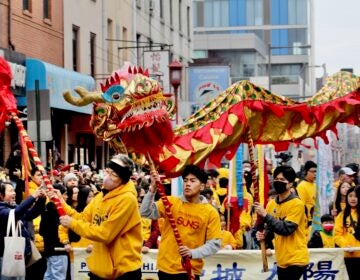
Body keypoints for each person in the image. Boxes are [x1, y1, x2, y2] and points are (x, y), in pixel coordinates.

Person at [58, 154, 142, 280]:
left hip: (122, 272)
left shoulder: (127, 199)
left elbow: (105, 234)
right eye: (107, 171)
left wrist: (72, 224)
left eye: (113, 174)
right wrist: (61, 202)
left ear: (123, 179)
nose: (107, 176)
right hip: (100, 269)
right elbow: (82, 219)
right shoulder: (100, 196)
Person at [140, 165, 221, 280]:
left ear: (202, 186)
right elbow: (145, 212)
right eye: (185, 180)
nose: (187, 184)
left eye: (192, 181)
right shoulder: (171, 202)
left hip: (190, 270)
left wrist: (192, 253)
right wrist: (152, 189)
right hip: (165, 268)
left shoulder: (210, 212)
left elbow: (214, 244)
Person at [254, 165, 309, 280]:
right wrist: (263, 236)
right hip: (281, 259)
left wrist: (265, 215)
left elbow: (285, 230)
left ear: (290, 184)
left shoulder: (297, 204)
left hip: (296, 259)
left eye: (282, 180)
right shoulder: (271, 204)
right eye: (276, 179)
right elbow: (270, 230)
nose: (278, 182)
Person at [0, 180, 46, 278]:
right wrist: (33, 196)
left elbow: (32, 213)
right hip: (4, 256)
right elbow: (16, 213)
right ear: (1, 195)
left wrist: (41, 199)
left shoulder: (15, 207)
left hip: (19, 255)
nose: (14, 193)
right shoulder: (2, 210)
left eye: (14, 190)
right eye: (10, 191)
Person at [334, 186, 360, 280]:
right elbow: (337, 235)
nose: (353, 199)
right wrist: (345, 245)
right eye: (350, 196)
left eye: (356, 196)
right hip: (349, 256)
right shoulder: (342, 215)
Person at [296, 160, 317, 229]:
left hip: (317, 219)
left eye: (316, 171)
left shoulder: (316, 185)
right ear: (306, 172)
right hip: (309, 222)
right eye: (312, 171)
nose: (315, 174)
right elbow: (302, 206)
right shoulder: (301, 186)